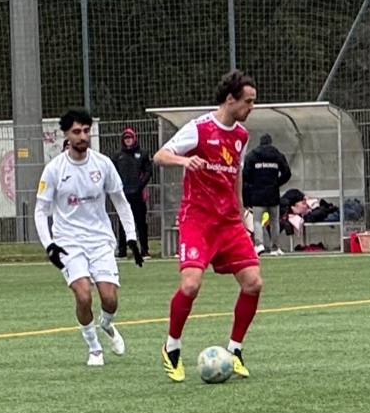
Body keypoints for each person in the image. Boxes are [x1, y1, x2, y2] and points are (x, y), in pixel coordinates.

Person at [152, 70, 264, 383]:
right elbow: (160, 156)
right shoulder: (199, 129)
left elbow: (236, 174)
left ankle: (235, 349)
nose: (252, 107)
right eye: (248, 101)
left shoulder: (241, 136)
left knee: (253, 283)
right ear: (230, 99)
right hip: (197, 220)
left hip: (228, 222)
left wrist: (241, 214)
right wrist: (185, 161)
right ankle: (172, 347)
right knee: (190, 285)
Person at [35, 109, 143, 366]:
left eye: (86, 131)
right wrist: (49, 245)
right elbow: (40, 210)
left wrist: (131, 237)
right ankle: (94, 348)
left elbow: (120, 201)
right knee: (83, 296)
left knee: (110, 299)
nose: (82, 136)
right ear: (66, 135)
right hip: (68, 242)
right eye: (76, 132)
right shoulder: (54, 170)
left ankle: (106, 323)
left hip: (100, 241)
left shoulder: (103, 164)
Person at [242, 133, 291, 256]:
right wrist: (277, 183)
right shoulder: (277, 155)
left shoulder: (252, 156)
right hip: (273, 195)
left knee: (257, 221)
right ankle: (275, 248)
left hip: (257, 195)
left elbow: (245, 174)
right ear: (270, 142)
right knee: (274, 221)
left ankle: (259, 245)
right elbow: (287, 173)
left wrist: (254, 184)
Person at [111, 128, 153, 259]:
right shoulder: (117, 156)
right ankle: (122, 250)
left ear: (134, 139)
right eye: (126, 138)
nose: (128, 140)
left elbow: (148, 171)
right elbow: (113, 173)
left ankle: (144, 250)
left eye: (130, 138)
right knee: (123, 222)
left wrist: (141, 184)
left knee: (141, 223)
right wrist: (118, 187)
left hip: (138, 194)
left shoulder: (142, 154)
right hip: (123, 195)